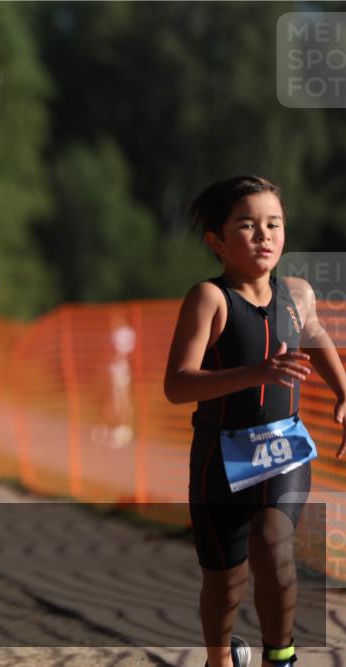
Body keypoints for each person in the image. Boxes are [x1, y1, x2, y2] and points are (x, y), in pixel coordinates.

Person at [164, 175, 346, 667]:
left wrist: (344, 390)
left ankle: (279, 657)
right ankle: (220, 659)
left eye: (274, 223)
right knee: (225, 581)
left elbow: (313, 335)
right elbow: (177, 385)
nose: (264, 235)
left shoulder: (298, 293)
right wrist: (254, 374)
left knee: (273, 542)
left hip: (282, 447)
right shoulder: (209, 299)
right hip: (219, 456)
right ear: (217, 243)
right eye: (247, 225)